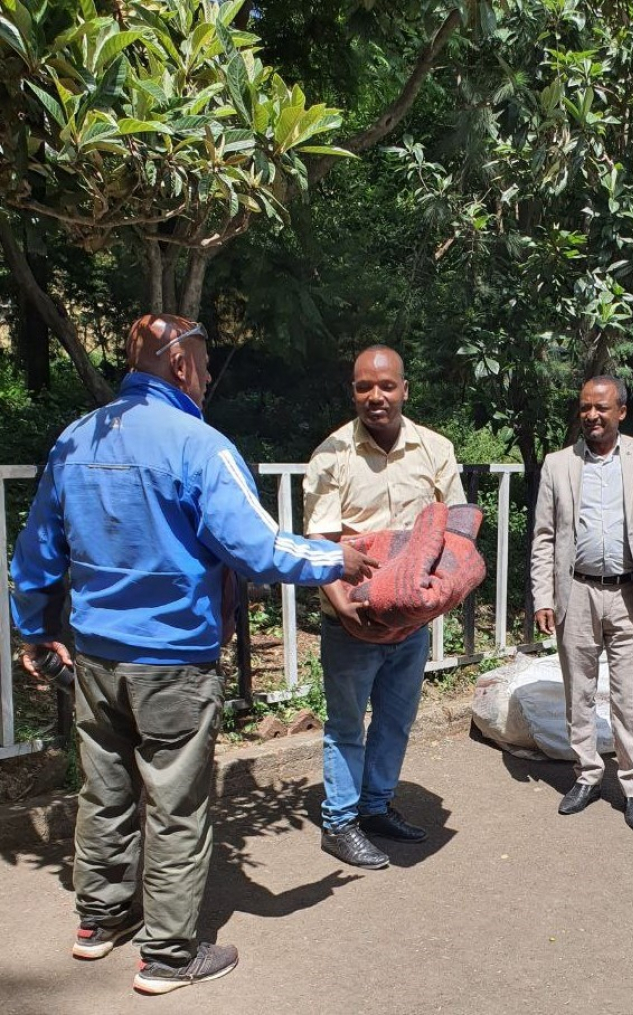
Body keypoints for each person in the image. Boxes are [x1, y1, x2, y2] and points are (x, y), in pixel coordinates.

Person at [10, 315, 376, 996]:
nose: (208, 379)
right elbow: (259, 546)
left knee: (105, 790)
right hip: (172, 663)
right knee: (177, 803)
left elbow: (34, 554)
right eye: (205, 367)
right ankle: (170, 955)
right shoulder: (199, 446)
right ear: (180, 367)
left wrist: (33, 629)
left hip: (95, 657)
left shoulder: (75, 440)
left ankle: (99, 920)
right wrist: (337, 556)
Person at [303, 345, 465, 869]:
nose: (376, 397)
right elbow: (320, 539)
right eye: (364, 387)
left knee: (395, 720)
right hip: (351, 618)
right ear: (353, 391)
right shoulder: (332, 455)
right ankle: (340, 822)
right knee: (347, 725)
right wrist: (341, 606)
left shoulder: (435, 449)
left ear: (404, 389)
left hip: (411, 622)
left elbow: (456, 530)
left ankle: (375, 807)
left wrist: (438, 597)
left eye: (386, 386)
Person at [530, 376, 633, 832]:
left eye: (601, 408)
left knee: (628, 697)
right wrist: (542, 595)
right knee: (577, 690)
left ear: (621, 412)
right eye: (585, 408)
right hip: (575, 592)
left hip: (631, 593)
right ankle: (588, 775)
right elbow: (543, 537)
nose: (592, 416)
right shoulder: (558, 464)